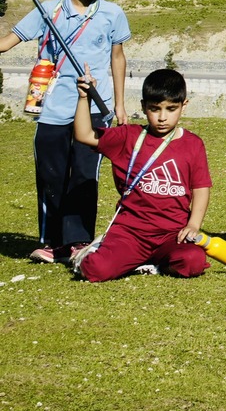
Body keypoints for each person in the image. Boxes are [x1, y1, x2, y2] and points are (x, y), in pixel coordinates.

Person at [0, 0, 130, 264]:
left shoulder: (113, 14)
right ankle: (52, 243)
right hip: (53, 109)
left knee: (85, 176)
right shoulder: (48, 11)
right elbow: (6, 44)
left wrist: (121, 105)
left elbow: (118, 57)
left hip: (97, 110)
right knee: (51, 175)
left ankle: (78, 241)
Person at [66, 68, 209, 281]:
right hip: (130, 234)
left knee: (192, 261)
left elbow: (201, 188)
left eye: (171, 109)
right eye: (154, 109)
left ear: (183, 105)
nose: (162, 117)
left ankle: (156, 263)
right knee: (96, 269)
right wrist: (84, 98)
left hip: (172, 234)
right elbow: (84, 134)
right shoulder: (128, 137)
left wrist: (193, 224)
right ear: (143, 107)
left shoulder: (193, 144)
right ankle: (106, 252)